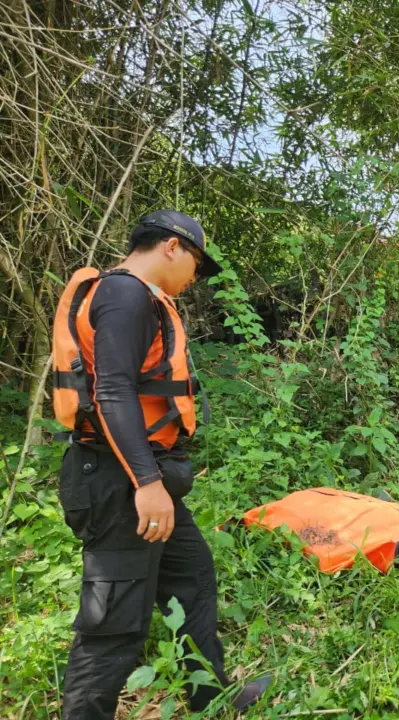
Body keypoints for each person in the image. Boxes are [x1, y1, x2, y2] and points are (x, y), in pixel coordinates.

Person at [52, 210, 270, 718]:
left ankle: (210, 696)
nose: (195, 277)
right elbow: (112, 391)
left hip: (141, 476)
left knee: (192, 575)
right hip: (122, 480)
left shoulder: (135, 296)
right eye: (196, 261)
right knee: (114, 622)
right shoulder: (127, 296)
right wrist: (147, 482)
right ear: (172, 246)